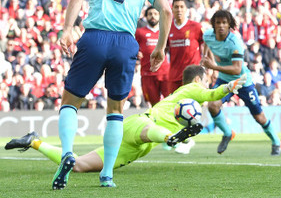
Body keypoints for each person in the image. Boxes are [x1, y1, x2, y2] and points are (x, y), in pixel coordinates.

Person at [55, 0, 172, 189]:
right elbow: (165, 9)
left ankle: (66, 153)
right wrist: (160, 48)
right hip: (124, 43)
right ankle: (107, 174)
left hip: (94, 38)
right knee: (116, 111)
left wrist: (67, 30)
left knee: (70, 101)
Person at [5, 66, 246, 174]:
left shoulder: (187, 98)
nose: (205, 86)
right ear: (197, 81)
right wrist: (229, 86)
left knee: (78, 165)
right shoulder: (189, 91)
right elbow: (212, 94)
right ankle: (170, 138)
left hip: (135, 149)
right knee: (149, 131)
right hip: (141, 125)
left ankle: (33, 142)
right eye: (204, 81)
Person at [201, 10, 281, 155]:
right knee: (213, 106)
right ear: (213, 24)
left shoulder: (235, 42)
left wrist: (213, 66)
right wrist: (206, 57)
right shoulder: (208, 35)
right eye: (218, 22)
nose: (221, 26)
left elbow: (237, 69)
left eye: (224, 23)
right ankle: (227, 133)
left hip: (242, 81)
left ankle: (276, 141)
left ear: (229, 25)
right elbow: (207, 44)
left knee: (259, 116)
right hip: (225, 80)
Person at [166, 0, 204, 95]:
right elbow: (164, 49)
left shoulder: (196, 26)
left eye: (182, 7)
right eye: (176, 7)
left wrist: (207, 63)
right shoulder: (168, 28)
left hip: (193, 74)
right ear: (172, 9)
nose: (179, 9)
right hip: (174, 74)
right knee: (175, 106)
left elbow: (206, 44)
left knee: (193, 104)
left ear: (186, 9)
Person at [135, 6, 170, 106]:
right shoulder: (140, 32)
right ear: (146, 17)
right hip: (147, 73)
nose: (152, 16)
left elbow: (170, 47)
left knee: (169, 101)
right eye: (150, 14)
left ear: (160, 16)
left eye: (155, 14)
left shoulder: (165, 32)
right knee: (154, 104)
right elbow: (132, 47)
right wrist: (136, 53)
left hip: (164, 73)